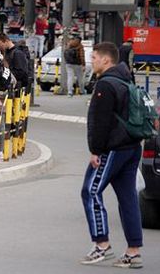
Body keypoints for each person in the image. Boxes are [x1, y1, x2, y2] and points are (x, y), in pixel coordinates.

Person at [79, 42, 144, 268]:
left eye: (95, 57)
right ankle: (133, 251)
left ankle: (101, 244)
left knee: (90, 191)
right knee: (128, 198)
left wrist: (95, 151)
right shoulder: (126, 79)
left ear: (106, 60)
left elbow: (101, 121)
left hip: (112, 149)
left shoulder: (105, 85)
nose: (92, 61)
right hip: (132, 147)